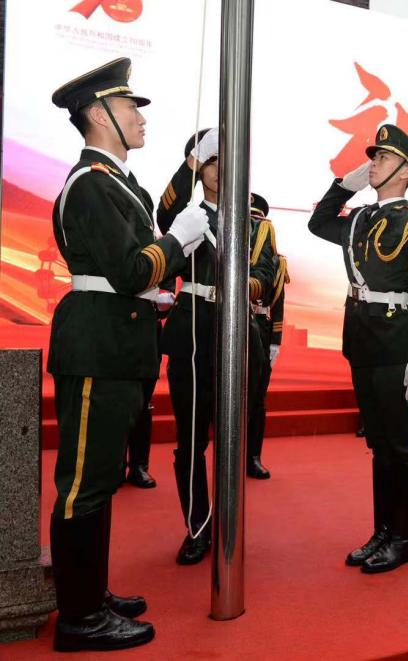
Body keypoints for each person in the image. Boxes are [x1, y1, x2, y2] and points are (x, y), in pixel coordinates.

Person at [48, 57, 206, 651]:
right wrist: (179, 239)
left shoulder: (117, 183)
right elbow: (131, 269)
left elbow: (134, 272)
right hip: (99, 345)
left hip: (117, 343)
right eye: (128, 107)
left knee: (100, 479)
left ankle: (90, 592)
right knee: (84, 484)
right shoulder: (91, 183)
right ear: (97, 114)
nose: (140, 118)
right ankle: (79, 618)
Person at [309, 124, 408, 574]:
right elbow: (318, 223)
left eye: (383, 158)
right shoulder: (360, 219)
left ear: (405, 171)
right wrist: (344, 185)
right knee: (380, 444)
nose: (374, 163)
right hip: (362, 341)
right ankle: (382, 532)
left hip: (396, 343)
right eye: (374, 157)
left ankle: (403, 539)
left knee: (403, 445)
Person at [158, 131, 275, 565]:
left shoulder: (256, 224)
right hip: (193, 329)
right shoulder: (186, 217)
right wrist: (192, 158)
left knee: (232, 437)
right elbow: (164, 211)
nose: (221, 169)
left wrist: (243, 284)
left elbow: (267, 275)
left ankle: (229, 523)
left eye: (228, 159)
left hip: (237, 332)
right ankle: (198, 527)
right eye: (212, 161)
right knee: (190, 440)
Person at [246, 193, 280, 479]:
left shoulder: (275, 259)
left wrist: (275, 341)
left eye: (257, 220)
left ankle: (253, 456)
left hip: (260, 325)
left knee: (257, 398)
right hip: (231, 324)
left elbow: (277, 301)